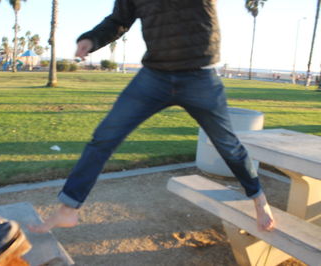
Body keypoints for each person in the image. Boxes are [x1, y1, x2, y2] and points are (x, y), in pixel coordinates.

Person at [29, 0, 275, 233]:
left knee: (227, 145)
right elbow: (118, 20)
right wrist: (91, 39)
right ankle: (68, 209)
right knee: (104, 137)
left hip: (199, 77)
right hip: (154, 77)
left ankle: (258, 198)